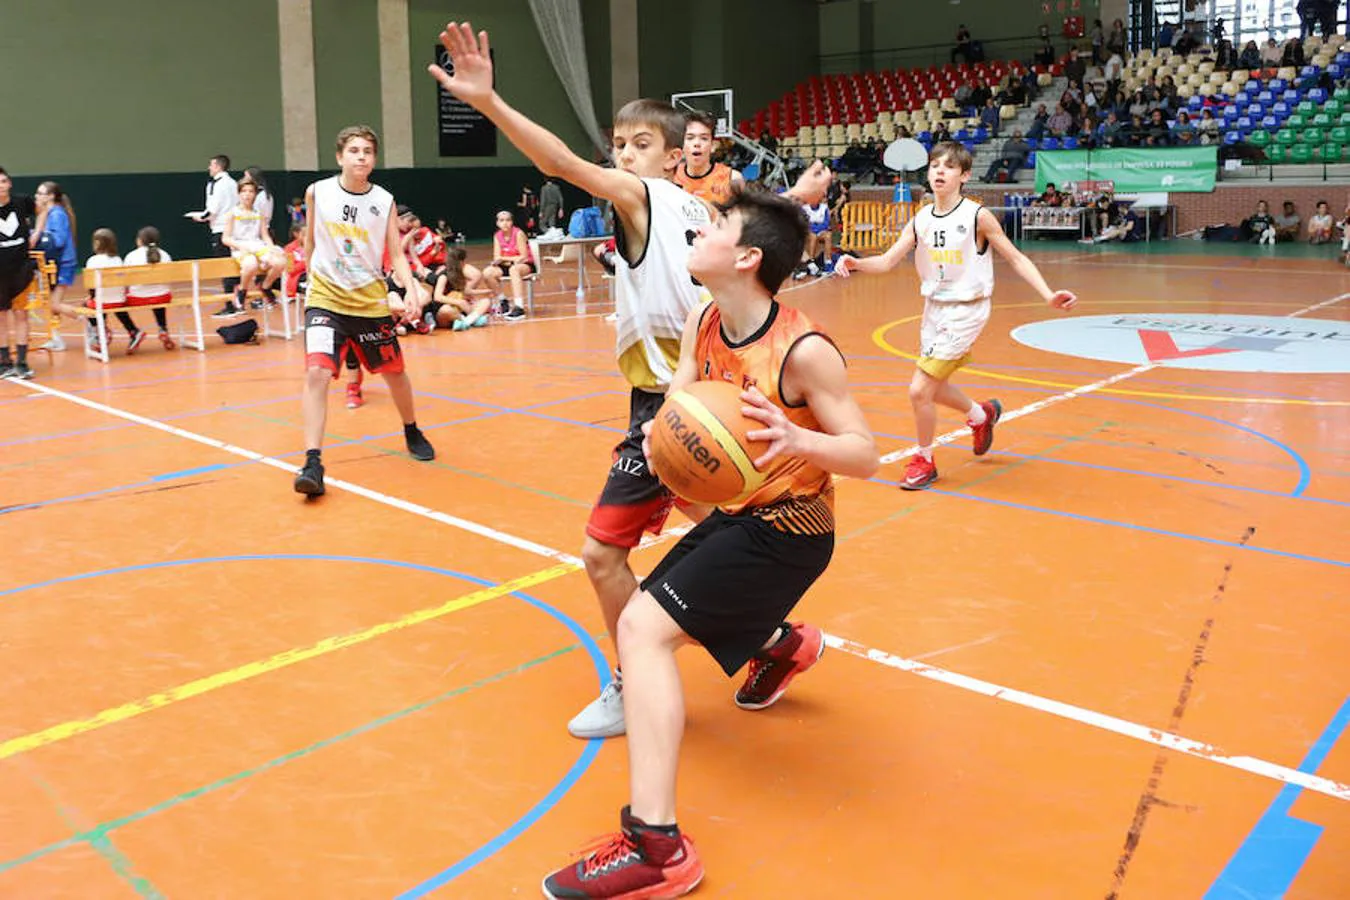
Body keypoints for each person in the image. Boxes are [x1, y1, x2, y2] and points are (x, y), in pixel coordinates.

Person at [429, 21, 833, 751]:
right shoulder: (705, 210)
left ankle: (628, 679)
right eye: (617, 145)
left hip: (682, 404)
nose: (622, 157)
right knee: (720, 544)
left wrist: (489, 103)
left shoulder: (655, 199)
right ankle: (777, 642)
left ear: (676, 156)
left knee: (602, 553)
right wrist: (795, 197)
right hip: (705, 399)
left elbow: (556, 160)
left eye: (639, 145)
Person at [549, 190, 877, 900]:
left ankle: (657, 847)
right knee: (661, 615)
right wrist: (674, 472)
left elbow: (864, 452)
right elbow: (680, 406)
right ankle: (783, 646)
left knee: (642, 629)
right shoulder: (706, 318)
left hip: (790, 529)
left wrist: (798, 438)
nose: (700, 229)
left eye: (717, 225)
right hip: (739, 511)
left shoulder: (804, 350)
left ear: (747, 258)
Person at [835, 142, 1076, 490]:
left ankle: (924, 460)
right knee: (935, 387)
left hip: (967, 310)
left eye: (948, 167)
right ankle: (981, 416)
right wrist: (855, 262)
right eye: (935, 166)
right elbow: (887, 261)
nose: (939, 172)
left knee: (919, 390)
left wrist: (1048, 294)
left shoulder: (977, 216)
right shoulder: (920, 220)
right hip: (934, 310)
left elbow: (1016, 258)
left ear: (963, 176)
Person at [293, 125, 435, 498]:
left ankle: (411, 428)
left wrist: (410, 288)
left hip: (369, 301)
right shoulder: (317, 192)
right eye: (354, 150)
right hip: (325, 298)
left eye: (368, 151)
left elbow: (396, 252)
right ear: (340, 156)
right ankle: (312, 461)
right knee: (316, 373)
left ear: (374, 159)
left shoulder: (384, 200)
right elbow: (310, 241)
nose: (361, 156)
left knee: (395, 374)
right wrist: (309, 283)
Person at [219, 179, 286, 315]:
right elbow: (225, 238)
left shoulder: (258, 213)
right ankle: (242, 291)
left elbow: (264, 235)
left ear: (255, 194)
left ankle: (266, 286)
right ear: (238, 194)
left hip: (257, 245)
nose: (247, 194)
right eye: (244, 191)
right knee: (251, 264)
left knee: (280, 262)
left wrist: (271, 246)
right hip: (240, 247)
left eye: (251, 191)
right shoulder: (232, 213)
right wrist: (240, 246)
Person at [31, 181, 80, 351]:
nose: (37, 196)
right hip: (53, 263)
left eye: (40, 193)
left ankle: (89, 318)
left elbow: (58, 241)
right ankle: (55, 338)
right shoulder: (48, 214)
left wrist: (39, 236)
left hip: (64, 263)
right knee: (50, 303)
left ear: (51, 196)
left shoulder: (57, 214)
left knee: (53, 304)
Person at [0, 167, 36, 379]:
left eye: (4, 181)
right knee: (1, 317)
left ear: (10, 184)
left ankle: (22, 361)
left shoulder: (22, 203)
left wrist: (37, 233)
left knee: (22, 314)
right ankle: (4, 361)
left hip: (20, 270)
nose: (1, 185)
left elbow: (45, 209)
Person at [190, 154, 239, 307]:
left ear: (218, 166)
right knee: (233, 264)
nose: (209, 168)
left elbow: (213, 208)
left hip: (221, 229)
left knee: (224, 267)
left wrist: (201, 217)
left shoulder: (218, 184)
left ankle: (230, 305)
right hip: (233, 228)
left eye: (211, 165)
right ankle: (237, 300)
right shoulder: (232, 183)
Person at [121, 226, 178, 351]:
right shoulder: (165, 255)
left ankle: (133, 330)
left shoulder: (131, 256)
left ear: (140, 240)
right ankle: (163, 328)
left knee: (117, 303)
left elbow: (125, 280)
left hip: (138, 298)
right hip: (163, 297)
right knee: (158, 294)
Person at [674, 110, 743, 205]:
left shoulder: (732, 178)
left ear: (713, 145)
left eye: (704, 138)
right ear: (681, 144)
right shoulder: (671, 177)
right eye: (690, 138)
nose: (697, 143)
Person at [481, 210, 533, 321]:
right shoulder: (497, 236)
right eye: (502, 220)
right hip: (506, 265)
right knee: (487, 272)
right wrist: (501, 260)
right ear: (497, 223)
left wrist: (504, 259)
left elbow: (523, 256)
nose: (505, 223)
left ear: (512, 222)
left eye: (508, 220)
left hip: (524, 264)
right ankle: (503, 301)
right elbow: (496, 257)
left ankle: (519, 307)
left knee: (514, 270)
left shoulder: (518, 233)